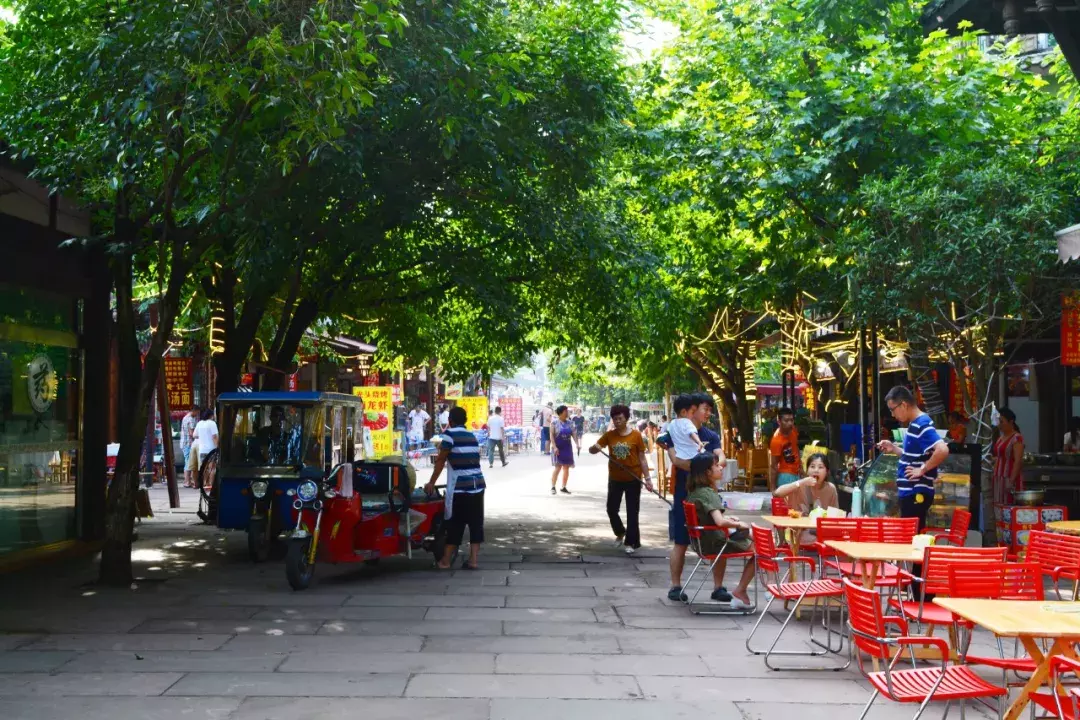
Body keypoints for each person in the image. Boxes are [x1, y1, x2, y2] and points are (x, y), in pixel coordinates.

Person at [659, 392, 725, 602]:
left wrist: (718, 463)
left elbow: (720, 456)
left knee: (718, 538)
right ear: (692, 410)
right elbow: (677, 461)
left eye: (709, 410)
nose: (707, 413)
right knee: (681, 541)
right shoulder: (674, 432)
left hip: (708, 496)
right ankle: (675, 585)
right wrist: (705, 465)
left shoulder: (710, 435)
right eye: (704, 409)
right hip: (683, 494)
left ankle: (719, 587)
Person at [685, 452, 755, 608]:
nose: (720, 467)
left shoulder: (695, 491)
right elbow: (719, 521)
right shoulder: (708, 493)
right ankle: (741, 590)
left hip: (702, 541)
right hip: (715, 542)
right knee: (759, 551)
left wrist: (731, 522)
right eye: (716, 465)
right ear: (707, 472)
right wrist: (738, 524)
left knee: (749, 536)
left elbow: (712, 520)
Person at [876, 386, 949, 531]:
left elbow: (942, 449)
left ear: (903, 404)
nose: (892, 414)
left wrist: (922, 469)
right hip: (910, 494)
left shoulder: (921, 424)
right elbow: (913, 457)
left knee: (910, 538)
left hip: (915, 494)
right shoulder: (914, 424)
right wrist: (894, 449)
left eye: (893, 409)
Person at [424, 406, 485, 570]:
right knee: (475, 523)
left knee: (455, 523)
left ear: (450, 421)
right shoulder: (471, 435)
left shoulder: (449, 436)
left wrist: (431, 483)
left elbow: (440, 461)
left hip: (461, 487)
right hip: (478, 485)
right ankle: (473, 560)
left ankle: (445, 561)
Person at [590, 404, 652, 554]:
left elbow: (642, 458)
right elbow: (594, 449)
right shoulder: (609, 435)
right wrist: (594, 448)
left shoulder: (636, 435)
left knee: (632, 511)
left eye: (620, 418)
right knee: (611, 509)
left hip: (633, 478)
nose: (617, 421)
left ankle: (631, 543)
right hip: (615, 478)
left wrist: (648, 478)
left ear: (626, 419)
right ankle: (620, 532)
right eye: (614, 419)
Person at [773, 453, 839, 545]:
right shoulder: (799, 485)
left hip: (821, 532)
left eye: (820, 467)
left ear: (827, 472)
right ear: (807, 470)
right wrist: (800, 483)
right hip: (798, 533)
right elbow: (777, 493)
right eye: (812, 466)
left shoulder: (831, 488)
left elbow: (835, 515)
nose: (816, 470)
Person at [992, 408, 1024, 506]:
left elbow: (1018, 461)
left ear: (1011, 422)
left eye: (1002, 422)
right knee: (998, 508)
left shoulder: (1016, 438)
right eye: (998, 422)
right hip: (998, 478)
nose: (999, 425)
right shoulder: (1000, 439)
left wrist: (1011, 481)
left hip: (1009, 478)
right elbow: (998, 458)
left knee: (1009, 507)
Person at [549, 404, 580, 495]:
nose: (567, 413)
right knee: (558, 467)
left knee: (566, 467)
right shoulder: (554, 423)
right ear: (561, 413)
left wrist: (577, 444)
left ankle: (563, 487)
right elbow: (552, 436)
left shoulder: (570, 423)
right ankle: (553, 486)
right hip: (557, 448)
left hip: (567, 448)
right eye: (566, 411)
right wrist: (554, 447)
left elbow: (574, 434)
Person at [768, 407, 800, 491]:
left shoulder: (794, 430)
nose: (790, 423)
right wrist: (772, 488)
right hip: (785, 476)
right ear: (779, 421)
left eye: (791, 420)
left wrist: (801, 469)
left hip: (797, 473)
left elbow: (796, 448)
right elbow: (774, 466)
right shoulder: (776, 441)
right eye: (786, 420)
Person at [180, 406, 199, 488]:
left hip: (185, 443)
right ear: (194, 411)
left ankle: (188, 481)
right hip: (188, 443)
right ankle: (187, 482)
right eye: (197, 412)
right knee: (188, 462)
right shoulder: (190, 419)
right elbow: (192, 433)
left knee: (188, 461)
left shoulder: (185, 417)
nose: (198, 414)